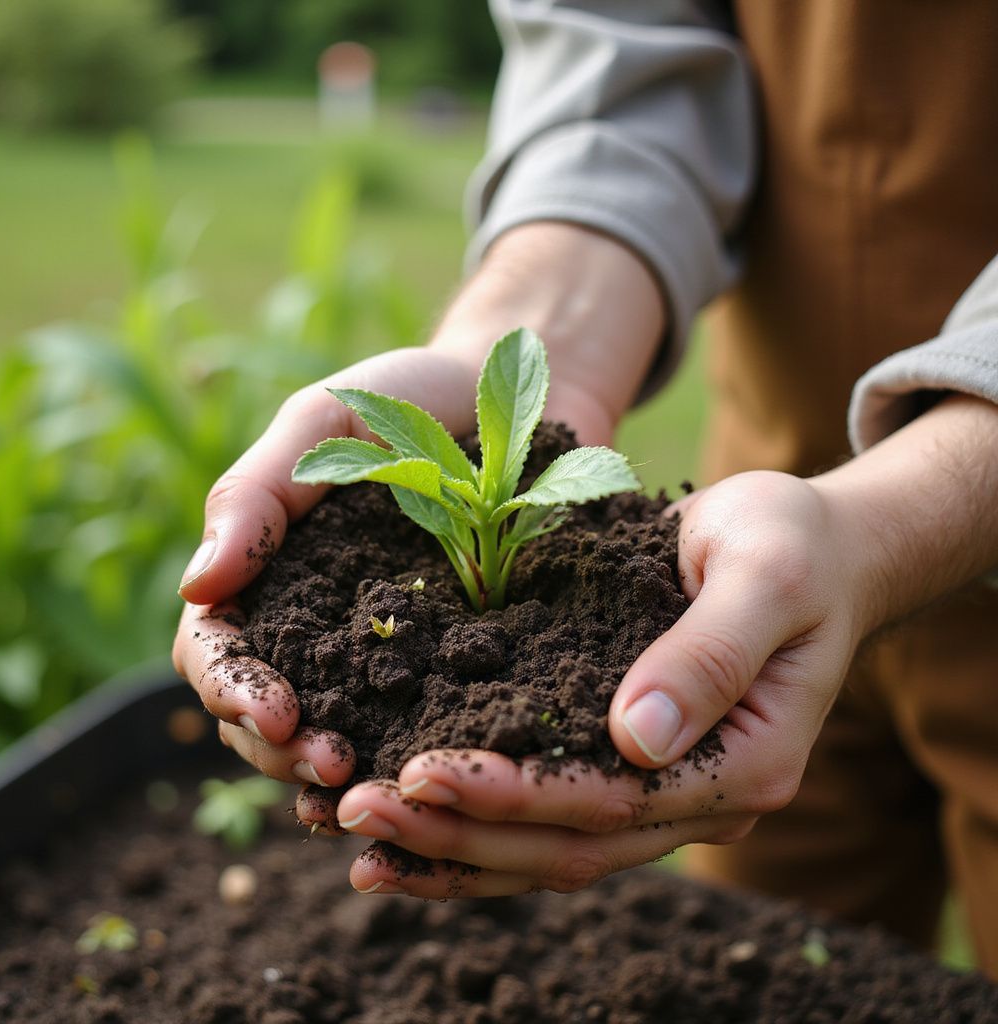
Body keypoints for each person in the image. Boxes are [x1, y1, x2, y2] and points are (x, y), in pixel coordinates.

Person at [173, 1, 998, 973]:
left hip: (871, 525)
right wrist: (538, 322)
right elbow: (623, 52)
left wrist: (898, 514)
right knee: (767, 966)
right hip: (747, 557)